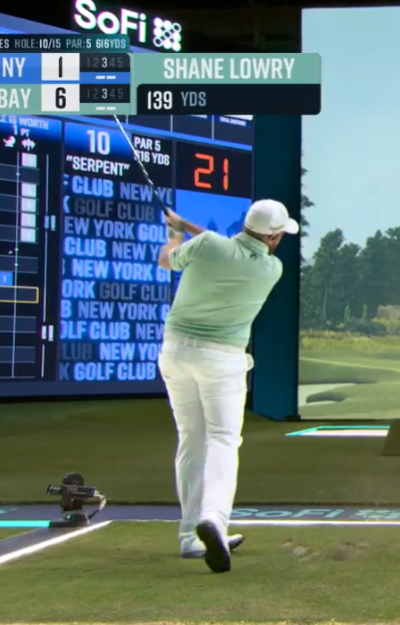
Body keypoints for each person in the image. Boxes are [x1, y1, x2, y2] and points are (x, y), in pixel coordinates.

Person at [156, 199, 298, 573]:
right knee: (222, 439)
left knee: (191, 439)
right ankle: (214, 520)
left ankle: (190, 536)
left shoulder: (208, 245)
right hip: (221, 360)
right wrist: (187, 226)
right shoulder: (272, 268)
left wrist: (175, 233)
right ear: (273, 237)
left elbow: (168, 260)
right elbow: (229, 250)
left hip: (175, 353)